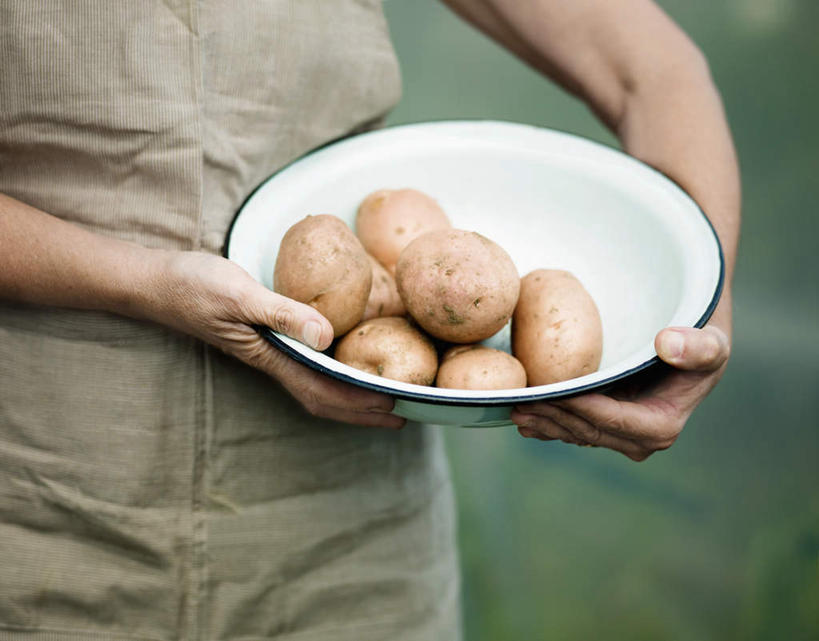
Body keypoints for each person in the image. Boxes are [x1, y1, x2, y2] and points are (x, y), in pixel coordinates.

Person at [0, 0, 738, 639]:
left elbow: (651, 69)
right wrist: (146, 282)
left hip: (356, 535)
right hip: (53, 504)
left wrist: (701, 297)